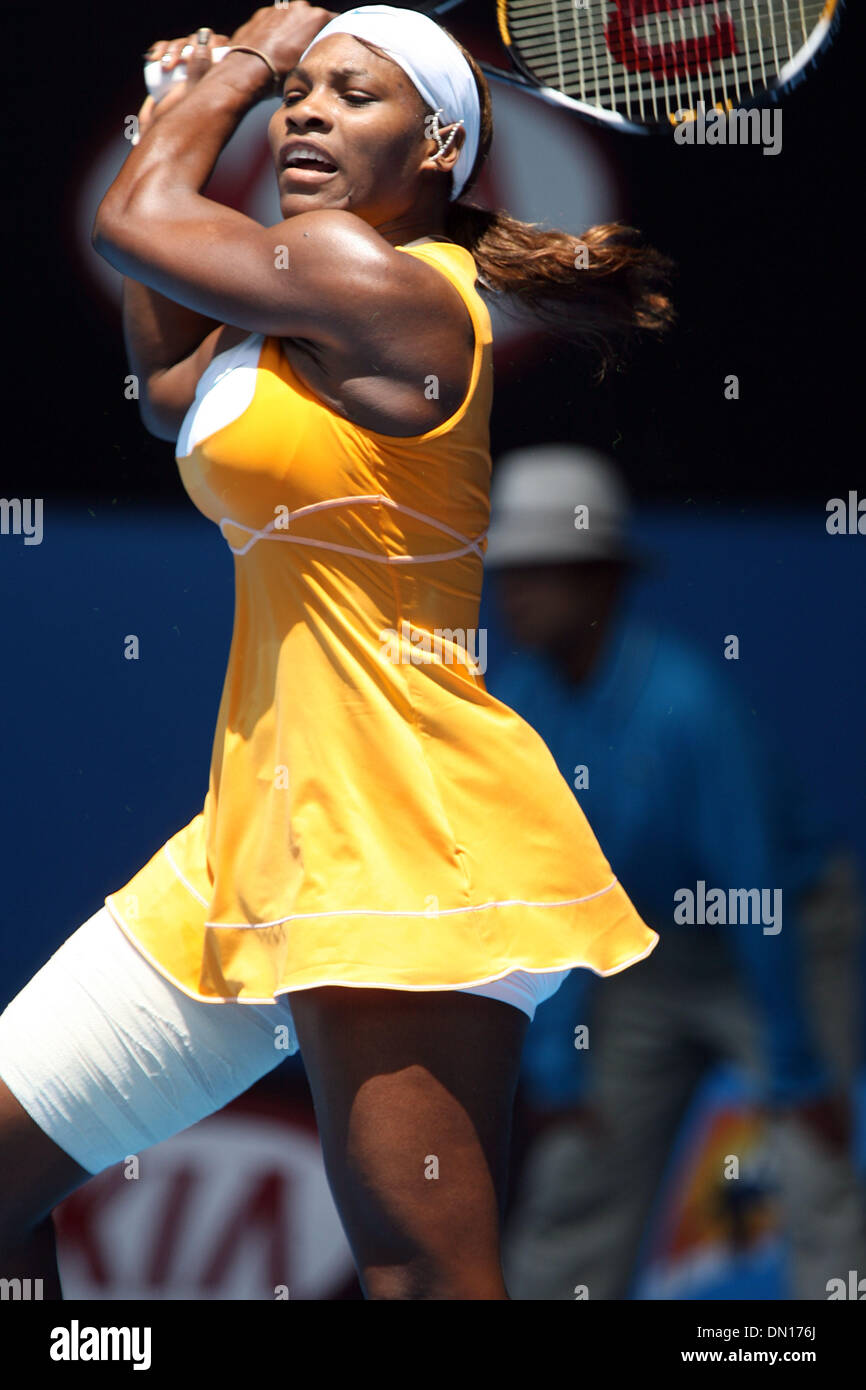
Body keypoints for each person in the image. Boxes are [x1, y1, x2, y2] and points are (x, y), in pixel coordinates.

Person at [0, 4, 674, 1301]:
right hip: (245, 851)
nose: (302, 112)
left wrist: (241, 63)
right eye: (297, 91)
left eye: (348, 96)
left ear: (440, 150)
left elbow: (131, 224)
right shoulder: (295, 309)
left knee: (428, 1280)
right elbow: (169, 390)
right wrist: (172, 119)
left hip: (392, 833)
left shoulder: (389, 290)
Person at [477, 444, 866, 1299]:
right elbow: (550, 900)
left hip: (780, 940)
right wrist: (559, 1063)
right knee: (580, 1164)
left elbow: (755, 892)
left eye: (546, 570)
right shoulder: (518, 705)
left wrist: (799, 1072)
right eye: (511, 571)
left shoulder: (688, 708)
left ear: (605, 581)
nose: (518, 593)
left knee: (816, 1163)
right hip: (645, 958)